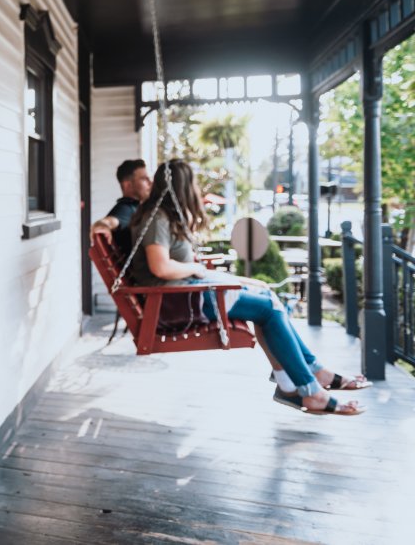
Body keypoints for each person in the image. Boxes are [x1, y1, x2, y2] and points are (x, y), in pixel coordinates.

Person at [129, 159, 370, 416]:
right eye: (194, 184)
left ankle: (298, 380)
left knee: (267, 295)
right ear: (182, 187)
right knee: (268, 309)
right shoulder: (158, 219)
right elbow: (161, 268)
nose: (197, 190)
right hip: (177, 303)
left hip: (186, 295)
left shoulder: (163, 216)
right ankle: (311, 389)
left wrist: (220, 276)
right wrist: (197, 270)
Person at [90, 159, 152, 255]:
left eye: (149, 178)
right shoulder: (126, 208)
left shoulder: (137, 207)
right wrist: (102, 226)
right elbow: (108, 222)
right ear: (128, 185)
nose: (150, 182)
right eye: (144, 179)